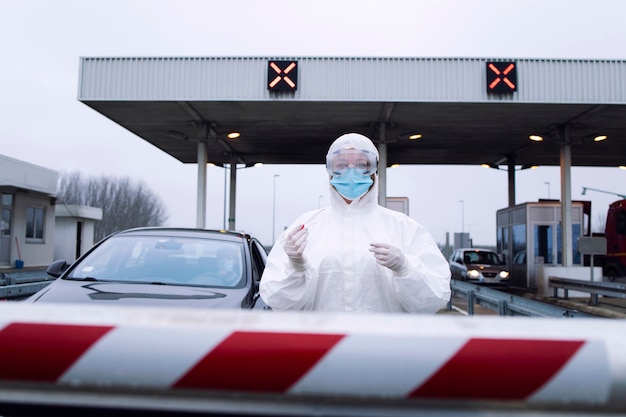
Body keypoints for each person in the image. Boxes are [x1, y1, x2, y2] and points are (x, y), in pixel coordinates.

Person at [260, 132, 451, 313]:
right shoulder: (306, 227)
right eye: (341, 164)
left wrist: (405, 268)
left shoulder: (403, 228)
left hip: (383, 345)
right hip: (322, 345)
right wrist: (296, 267)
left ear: (374, 171)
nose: (351, 171)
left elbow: (435, 299)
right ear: (330, 171)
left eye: (361, 164)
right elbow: (277, 301)